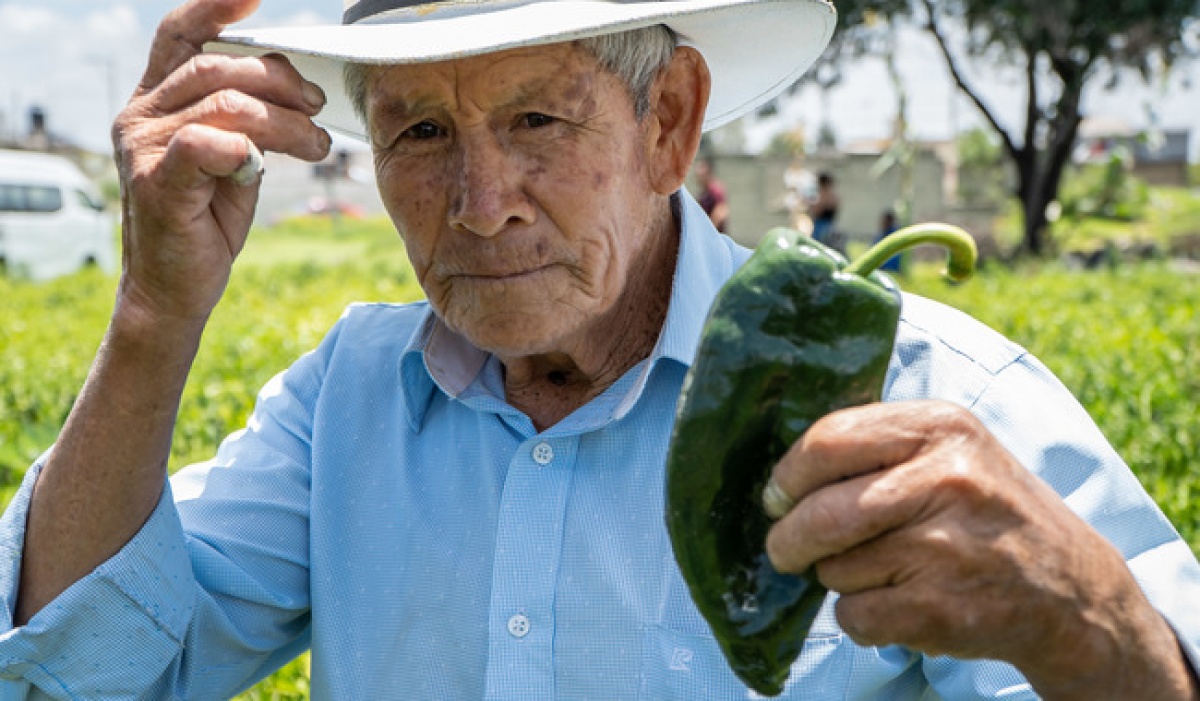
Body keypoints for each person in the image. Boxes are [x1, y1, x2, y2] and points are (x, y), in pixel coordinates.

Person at [1, 0, 1199, 698]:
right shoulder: (347, 404)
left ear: (668, 122)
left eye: (537, 119)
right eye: (420, 130)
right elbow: (77, 671)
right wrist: (156, 313)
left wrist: (1084, 619)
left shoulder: (929, 392)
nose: (480, 202)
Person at [694, 157, 730, 233]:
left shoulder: (715, 189)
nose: (697, 176)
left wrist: (709, 232)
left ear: (708, 172)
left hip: (715, 237)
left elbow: (721, 211)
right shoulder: (704, 192)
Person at [809, 170, 839, 245]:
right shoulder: (833, 196)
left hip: (820, 227)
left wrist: (811, 206)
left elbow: (817, 211)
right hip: (830, 226)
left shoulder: (823, 196)